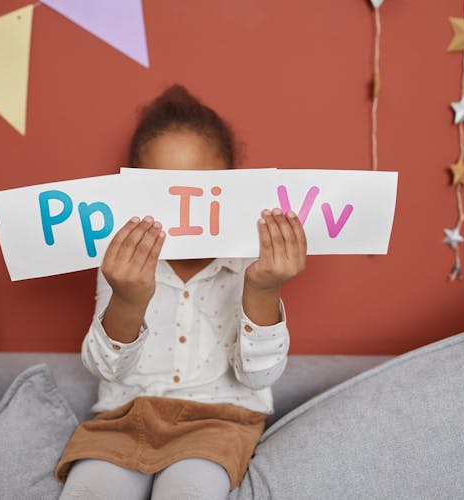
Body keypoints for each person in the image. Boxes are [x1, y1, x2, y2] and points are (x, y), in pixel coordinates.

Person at [55, 84, 307, 500]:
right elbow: (106, 368)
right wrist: (129, 298)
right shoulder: (122, 264)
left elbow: (259, 376)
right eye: (165, 192)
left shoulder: (252, 263)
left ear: (232, 189)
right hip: (122, 421)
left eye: (202, 191)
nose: (185, 209)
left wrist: (264, 287)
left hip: (218, 424)